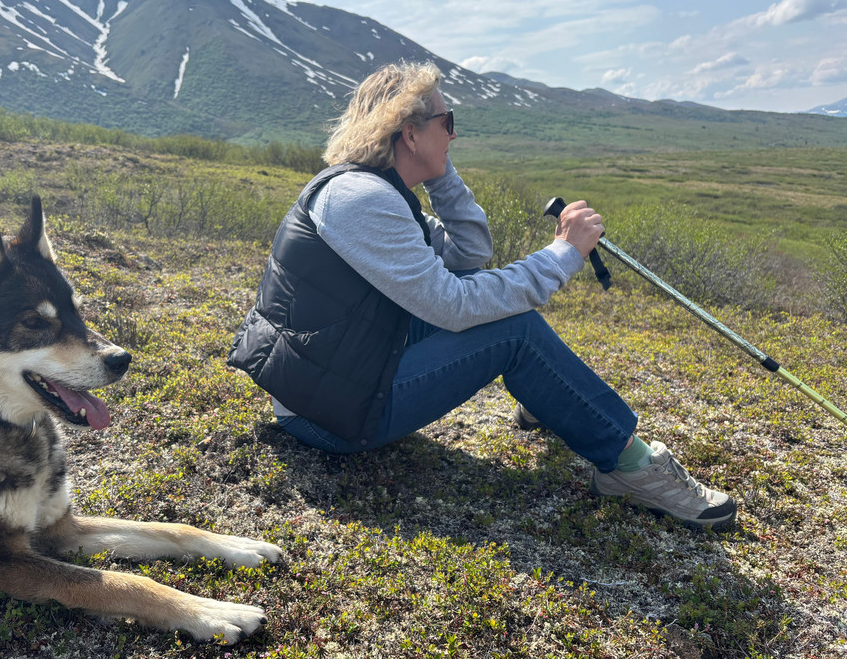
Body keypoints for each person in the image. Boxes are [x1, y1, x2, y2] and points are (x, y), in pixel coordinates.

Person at [228, 61, 736, 531]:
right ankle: (630, 467)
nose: (455, 133)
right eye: (447, 123)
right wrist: (563, 254)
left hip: (336, 372)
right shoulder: (363, 201)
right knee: (513, 330)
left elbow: (468, 251)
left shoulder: (374, 190)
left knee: (501, 309)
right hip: (330, 415)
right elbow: (454, 304)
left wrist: (438, 169)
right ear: (410, 131)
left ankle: (549, 395)